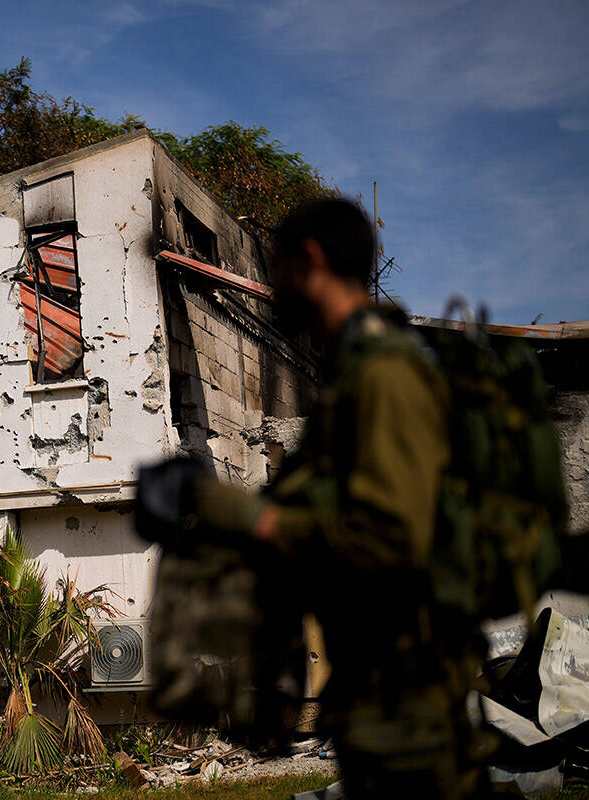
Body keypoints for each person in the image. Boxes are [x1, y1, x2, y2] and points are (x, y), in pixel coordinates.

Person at [138, 198, 492, 799]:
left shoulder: (385, 374)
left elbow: (391, 536)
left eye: (276, 268)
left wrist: (232, 510)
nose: (271, 288)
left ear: (311, 260)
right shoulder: (355, 372)